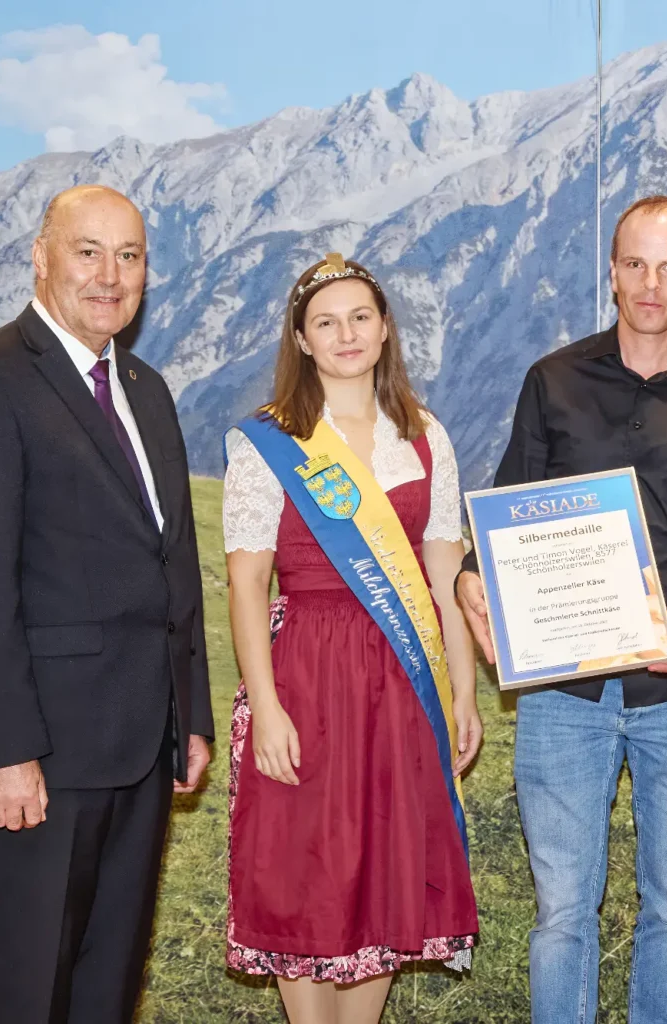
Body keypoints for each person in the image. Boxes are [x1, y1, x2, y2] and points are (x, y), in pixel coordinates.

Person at [455, 195, 667, 1024]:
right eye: (635, 263)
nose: (651, 283)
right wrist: (468, 577)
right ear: (613, 270)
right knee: (561, 914)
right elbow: (506, 514)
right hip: (565, 696)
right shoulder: (553, 381)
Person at [0, 184, 213, 1023]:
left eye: (130, 256)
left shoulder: (147, 391)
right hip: (41, 759)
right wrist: (4, 752)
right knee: (28, 990)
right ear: (40, 258)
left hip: (143, 748)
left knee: (106, 991)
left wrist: (187, 711)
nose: (110, 275)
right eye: (88, 251)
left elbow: (173, 563)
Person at [222, 253, 481, 1024]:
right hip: (303, 672)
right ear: (300, 340)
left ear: (385, 328)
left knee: (381, 866)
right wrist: (265, 707)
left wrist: (464, 691)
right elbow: (245, 583)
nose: (346, 335)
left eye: (360, 317)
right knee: (307, 867)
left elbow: (443, 578)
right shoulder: (270, 441)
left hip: (402, 682)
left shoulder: (424, 435)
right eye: (325, 322)